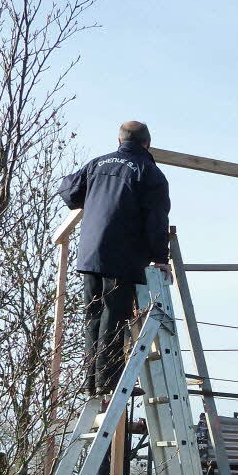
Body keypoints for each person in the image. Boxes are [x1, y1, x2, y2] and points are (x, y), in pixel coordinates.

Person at [57, 120, 172, 396]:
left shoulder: (96, 164)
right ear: (148, 143)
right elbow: (157, 220)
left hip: (89, 253)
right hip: (122, 255)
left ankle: (91, 381)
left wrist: (92, 199)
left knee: (93, 316)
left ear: (119, 141)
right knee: (114, 315)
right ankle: (108, 381)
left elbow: (68, 191)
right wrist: (160, 257)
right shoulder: (150, 172)